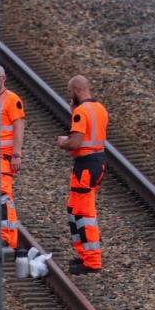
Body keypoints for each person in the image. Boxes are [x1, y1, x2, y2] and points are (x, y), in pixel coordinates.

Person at [56, 75, 108, 272]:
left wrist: (63, 142)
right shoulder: (100, 108)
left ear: (77, 91)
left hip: (86, 165)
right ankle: (84, 255)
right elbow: (91, 135)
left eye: (70, 92)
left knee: (84, 212)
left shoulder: (81, 112)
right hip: (97, 162)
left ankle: (92, 261)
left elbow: (76, 142)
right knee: (74, 207)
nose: (69, 96)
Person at [0, 66, 26, 249]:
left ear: (4, 78)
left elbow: (19, 128)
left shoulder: (12, 99)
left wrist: (16, 154)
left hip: (5, 158)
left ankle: (7, 238)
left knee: (4, 196)